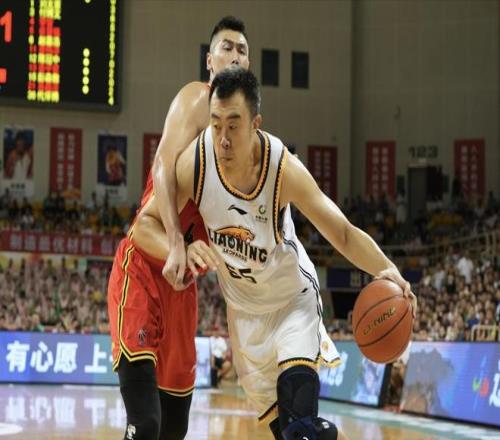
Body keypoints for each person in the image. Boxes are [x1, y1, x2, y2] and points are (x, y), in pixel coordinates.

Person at [132, 68, 418, 440]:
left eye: (233, 126)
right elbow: (143, 226)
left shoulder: (282, 168)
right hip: (245, 321)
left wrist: (388, 269)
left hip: (291, 304)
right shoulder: (197, 162)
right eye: (215, 125)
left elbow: (343, 233)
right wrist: (179, 249)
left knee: (300, 429)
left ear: (256, 124)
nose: (223, 139)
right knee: (292, 434)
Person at [107, 17, 250, 440]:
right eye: (227, 47)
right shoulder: (197, 99)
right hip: (145, 265)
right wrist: (175, 242)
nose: (235, 55)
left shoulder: (245, 142)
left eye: (242, 50)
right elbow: (160, 167)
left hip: (182, 287)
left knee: (173, 429)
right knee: (146, 423)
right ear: (210, 61)